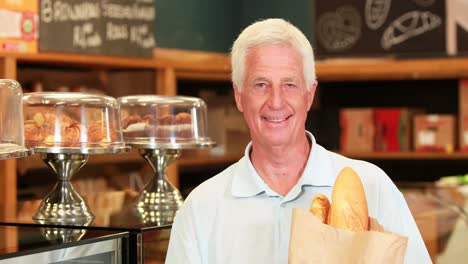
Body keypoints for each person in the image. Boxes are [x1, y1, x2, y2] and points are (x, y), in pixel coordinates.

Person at [166, 18, 431, 264]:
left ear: (309, 94)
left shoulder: (373, 187)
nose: (276, 101)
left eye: (289, 84)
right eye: (261, 84)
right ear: (239, 96)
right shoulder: (200, 208)